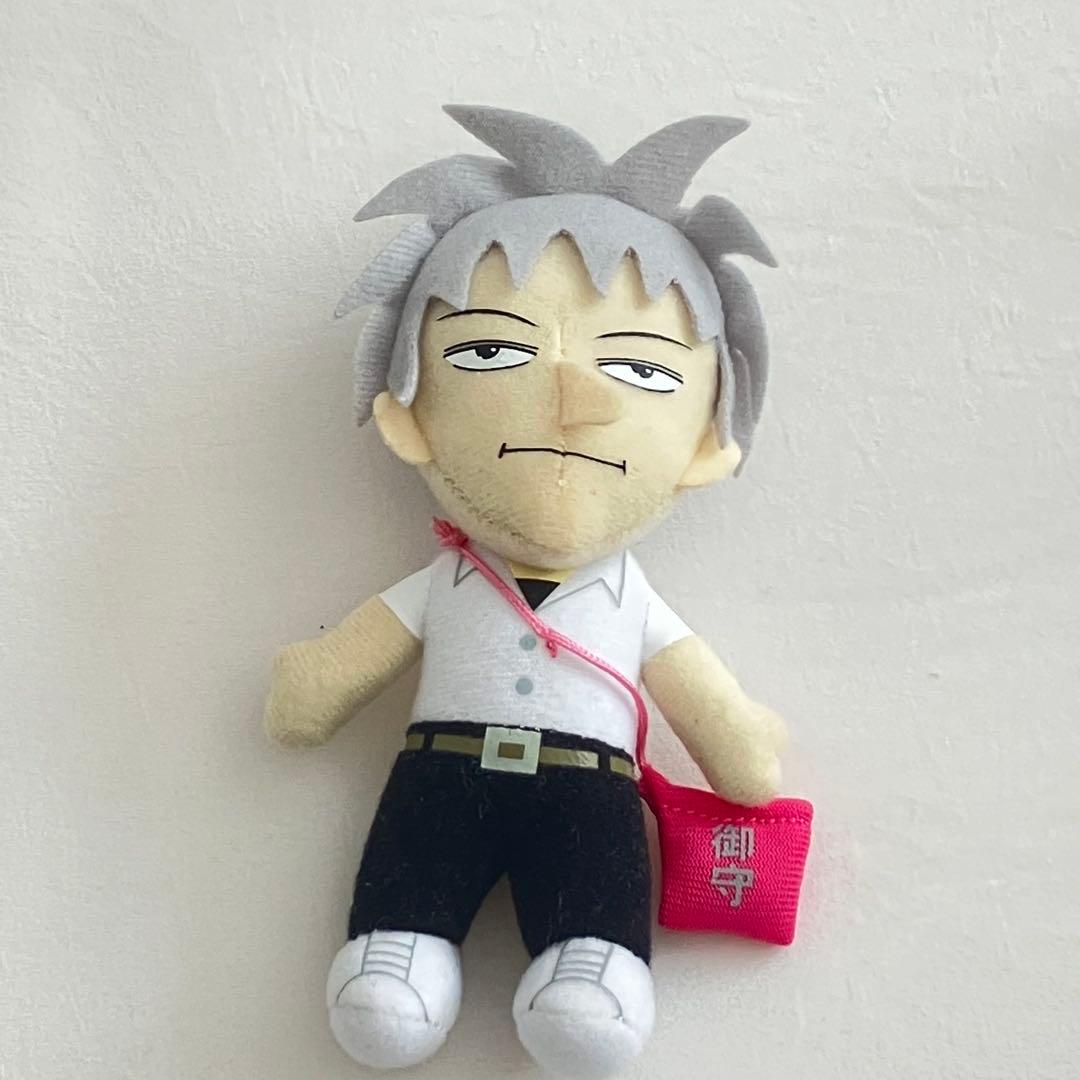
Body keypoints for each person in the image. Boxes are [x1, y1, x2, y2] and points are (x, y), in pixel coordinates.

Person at [265, 104, 786, 1079]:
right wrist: (318, 680)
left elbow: (708, 711)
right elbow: (343, 666)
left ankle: (592, 969)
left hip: (589, 791)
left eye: (638, 367)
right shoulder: (447, 579)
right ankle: (396, 956)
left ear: (705, 446)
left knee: (593, 933)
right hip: (440, 777)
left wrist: (737, 741)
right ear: (409, 414)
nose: (571, 397)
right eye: (489, 352)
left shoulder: (632, 600)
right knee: (396, 938)